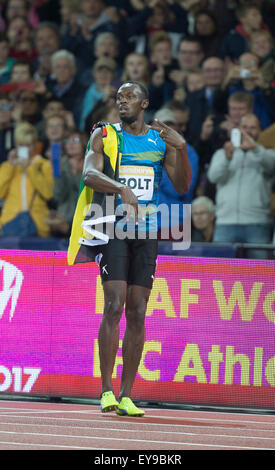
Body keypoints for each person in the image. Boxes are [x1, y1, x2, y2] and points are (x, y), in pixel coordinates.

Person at [68, 80, 192, 415]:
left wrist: (180, 148)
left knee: (137, 310)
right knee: (114, 304)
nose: (122, 101)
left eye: (130, 97)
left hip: (147, 232)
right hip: (113, 227)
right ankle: (106, 390)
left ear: (144, 103)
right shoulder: (105, 135)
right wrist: (120, 187)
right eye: (119, 97)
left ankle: (127, 395)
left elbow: (182, 185)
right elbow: (89, 174)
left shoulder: (157, 141)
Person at [207, 113, 275, 258]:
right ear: (237, 129)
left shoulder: (266, 154)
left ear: (259, 131)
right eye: (245, 127)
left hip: (257, 223)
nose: (248, 131)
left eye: (252, 128)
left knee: (260, 274)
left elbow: (272, 165)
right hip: (225, 222)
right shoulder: (222, 153)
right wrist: (227, 158)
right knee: (222, 273)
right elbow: (213, 177)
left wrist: (255, 149)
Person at [0, 121, 53, 237]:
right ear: (15, 145)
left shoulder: (44, 165)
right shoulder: (8, 166)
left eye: (28, 145)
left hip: (38, 226)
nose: (25, 149)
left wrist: (29, 168)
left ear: (35, 145)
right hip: (9, 224)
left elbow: (48, 193)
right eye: (21, 145)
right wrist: (10, 166)